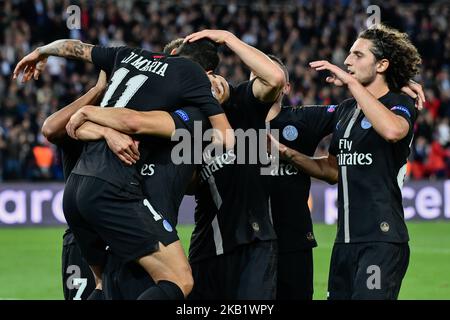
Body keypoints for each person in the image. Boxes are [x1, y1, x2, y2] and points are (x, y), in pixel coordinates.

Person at [14, 38, 230, 300]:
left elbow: (74, 47)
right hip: (114, 190)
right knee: (180, 279)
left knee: (103, 284)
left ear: (172, 51)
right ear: (208, 73)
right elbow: (225, 137)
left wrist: (40, 51)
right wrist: (215, 104)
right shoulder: (191, 78)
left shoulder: (126, 54)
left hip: (74, 193)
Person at [269, 24, 422, 300]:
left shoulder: (399, 101)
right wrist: (287, 153)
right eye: (349, 54)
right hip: (345, 242)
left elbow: (393, 131)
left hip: (381, 239)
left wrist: (351, 84)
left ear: (382, 65)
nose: (348, 61)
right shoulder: (345, 111)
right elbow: (331, 170)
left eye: (358, 55)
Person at [182, 30, 285, 300]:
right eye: (201, 83)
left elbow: (275, 78)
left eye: (213, 76)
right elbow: (191, 185)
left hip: (255, 242)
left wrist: (228, 38)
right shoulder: (191, 123)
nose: (212, 84)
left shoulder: (245, 100)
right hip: (208, 245)